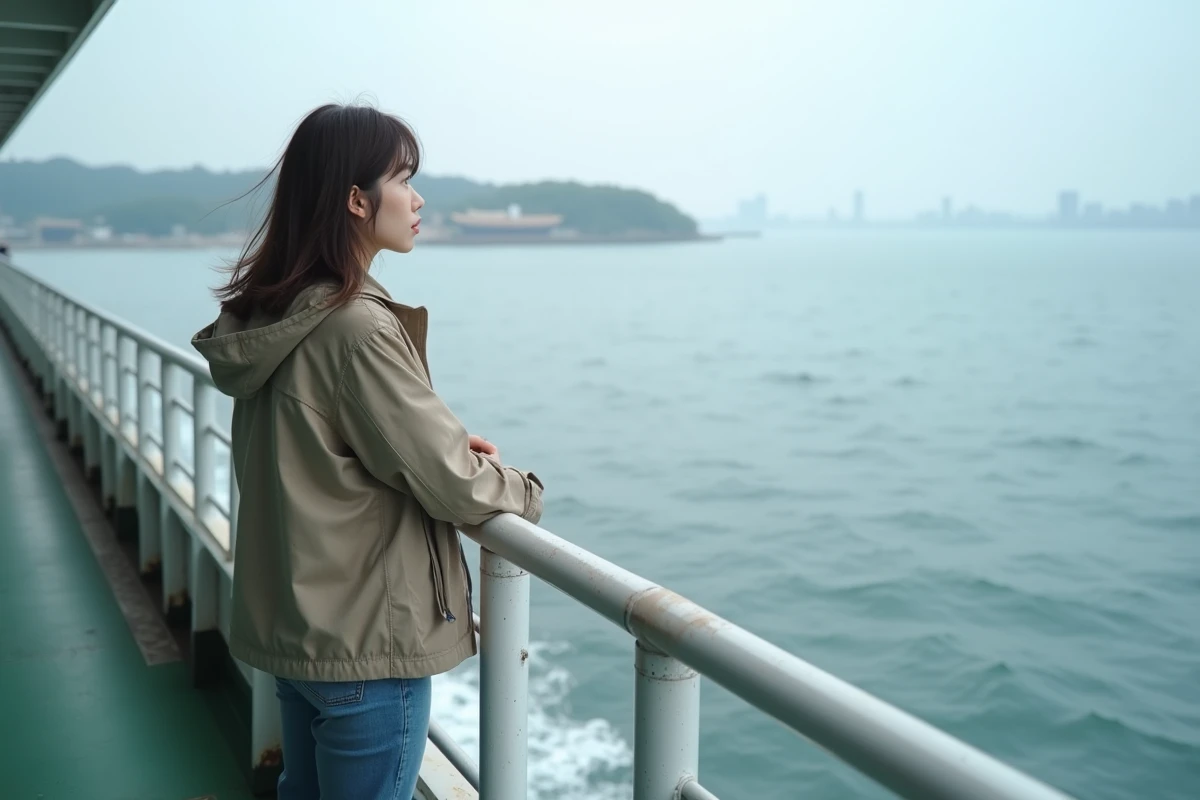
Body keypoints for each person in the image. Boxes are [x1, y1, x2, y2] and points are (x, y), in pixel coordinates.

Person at [192, 103, 544, 800]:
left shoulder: (278, 312)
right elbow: (452, 484)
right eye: (403, 180)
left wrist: (438, 442)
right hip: (365, 651)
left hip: (302, 638)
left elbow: (336, 443)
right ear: (356, 200)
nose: (417, 199)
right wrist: (523, 490)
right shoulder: (355, 325)